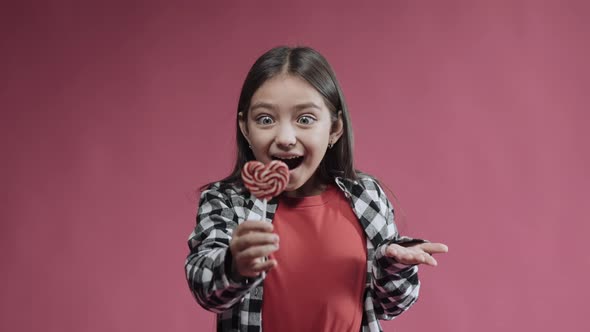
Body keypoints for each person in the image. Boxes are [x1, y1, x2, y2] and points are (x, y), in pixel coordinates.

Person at [185, 46, 448, 332]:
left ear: (335, 128)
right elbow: (205, 288)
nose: (285, 137)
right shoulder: (226, 201)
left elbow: (391, 306)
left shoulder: (366, 197)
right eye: (265, 119)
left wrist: (395, 267)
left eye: (305, 119)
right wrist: (234, 265)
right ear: (246, 128)